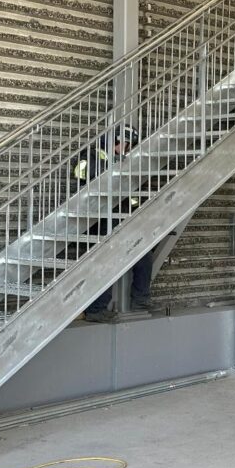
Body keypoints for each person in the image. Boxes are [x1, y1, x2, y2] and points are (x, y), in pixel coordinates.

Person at [74, 124, 154, 321]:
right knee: (104, 262)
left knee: (144, 253)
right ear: (115, 140)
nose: (127, 149)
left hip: (121, 217)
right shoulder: (91, 156)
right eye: (125, 144)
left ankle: (141, 298)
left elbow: (131, 195)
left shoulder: (124, 162)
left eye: (129, 145)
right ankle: (96, 309)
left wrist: (137, 210)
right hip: (97, 217)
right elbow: (85, 177)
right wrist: (115, 165)